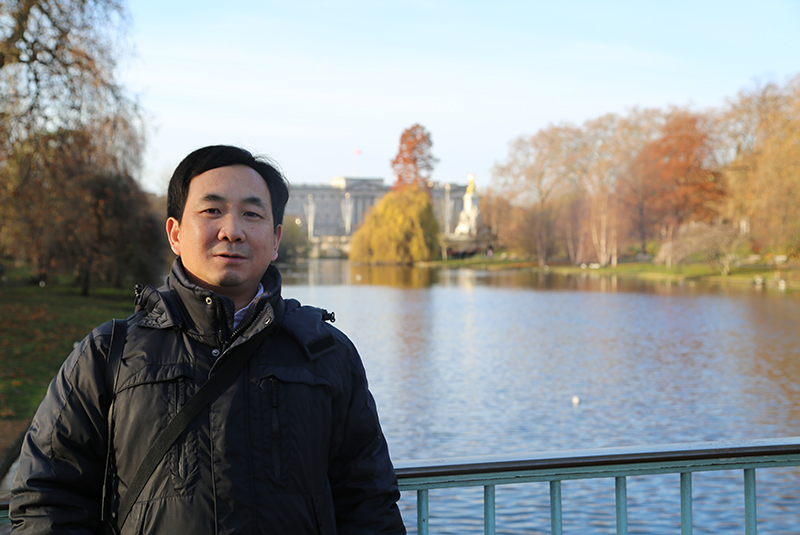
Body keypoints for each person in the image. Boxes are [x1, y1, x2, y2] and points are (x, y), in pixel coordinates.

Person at [10, 145, 406, 534]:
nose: (232, 231)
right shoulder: (107, 354)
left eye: (251, 214)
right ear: (175, 234)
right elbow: (46, 502)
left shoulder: (327, 354)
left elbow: (369, 505)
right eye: (212, 211)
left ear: (275, 240)